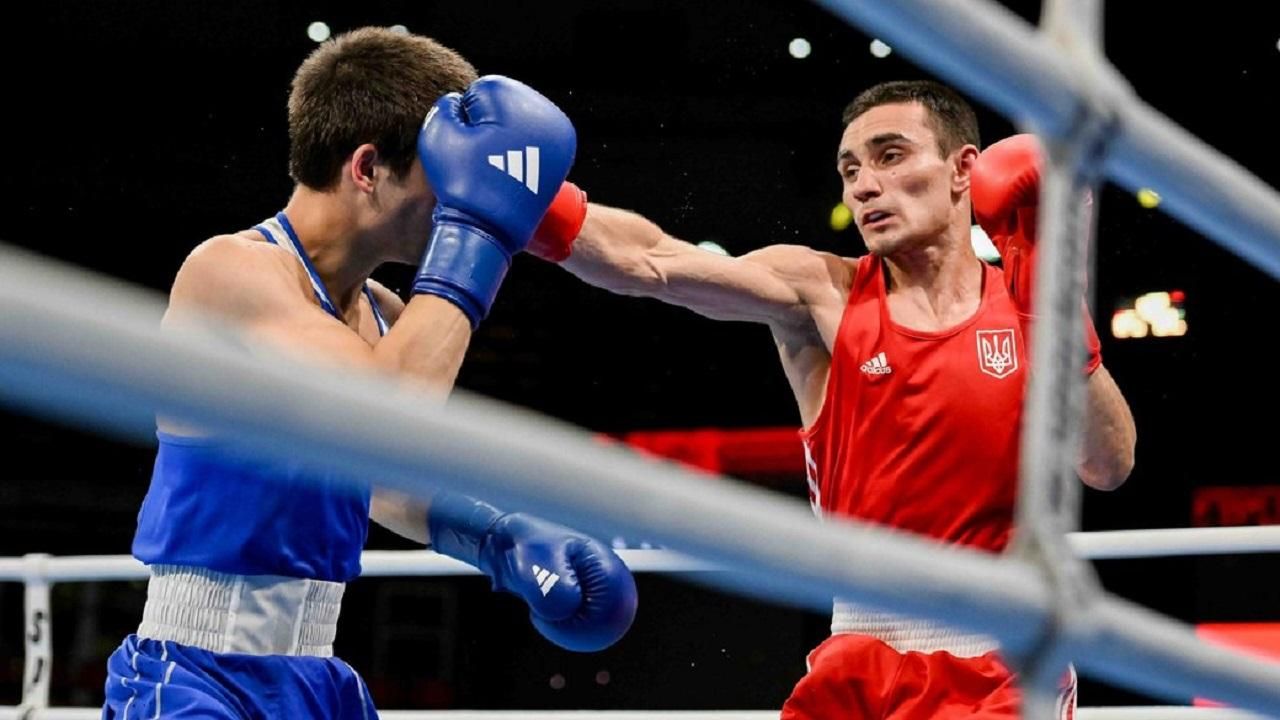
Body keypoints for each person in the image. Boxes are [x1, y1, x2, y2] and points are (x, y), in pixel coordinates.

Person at [526, 80, 1137, 718]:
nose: (863, 185)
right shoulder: (824, 292)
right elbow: (651, 261)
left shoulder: (1025, 305)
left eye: (890, 155)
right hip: (857, 657)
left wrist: (1059, 314)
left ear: (964, 170)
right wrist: (529, 203)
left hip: (1001, 663)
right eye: (850, 169)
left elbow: (1107, 463)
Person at [101, 27, 636, 720]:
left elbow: (382, 478)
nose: (453, 205)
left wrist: (500, 537)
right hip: (196, 675)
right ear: (366, 168)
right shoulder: (230, 272)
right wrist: (478, 235)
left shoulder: (381, 315)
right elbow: (390, 414)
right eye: (445, 180)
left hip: (317, 679)